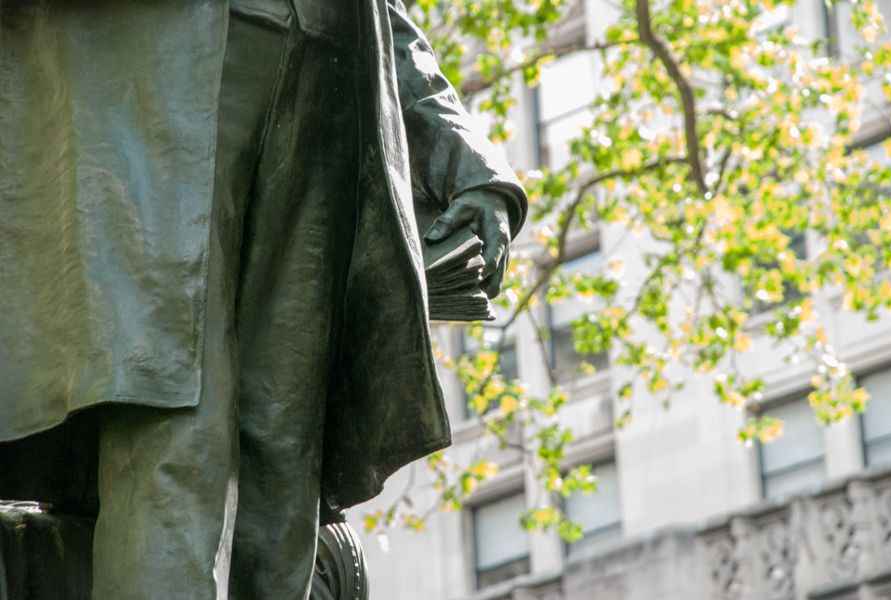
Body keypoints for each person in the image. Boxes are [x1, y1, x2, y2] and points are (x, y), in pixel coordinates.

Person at [0, 0, 526, 598]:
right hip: (152, 68)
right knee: (175, 435)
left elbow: (386, 17)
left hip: (327, 74)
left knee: (281, 468)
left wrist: (468, 159)